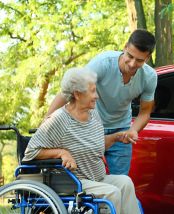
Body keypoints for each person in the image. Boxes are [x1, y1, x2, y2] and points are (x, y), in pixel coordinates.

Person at [24, 67, 140, 214]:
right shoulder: (59, 120)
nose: (97, 96)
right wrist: (61, 152)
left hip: (97, 177)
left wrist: (116, 137)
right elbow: (31, 152)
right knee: (112, 192)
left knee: (125, 182)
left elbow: (93, 145)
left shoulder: (93, 114)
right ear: (77, 94)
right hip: (75, 182)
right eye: (92, 91)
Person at [45, 29, 157, 175]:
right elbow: (72, 90)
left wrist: (133, 130)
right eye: (130, 56)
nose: (132, 63)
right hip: (91, 128)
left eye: (139, 60)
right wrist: (47, 120)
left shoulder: (149, 77)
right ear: (125, 47)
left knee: (121, 181)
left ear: (147, 59)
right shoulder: (103, 63)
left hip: (120, 130)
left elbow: (145, 112)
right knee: (87, 180)